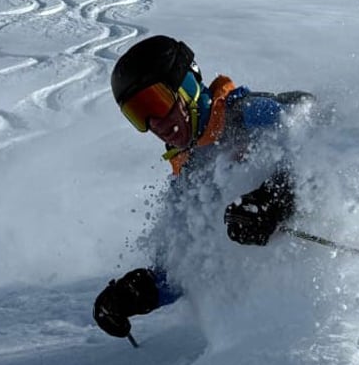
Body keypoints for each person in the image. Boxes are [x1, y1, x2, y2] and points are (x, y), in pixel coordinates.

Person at [92, 35, 313, 339]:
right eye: (138, 114)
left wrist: (276, 198)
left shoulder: (250, 116)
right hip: (277, 318)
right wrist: (138, 292)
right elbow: (185, 269)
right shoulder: (188, 179)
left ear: (186, 87)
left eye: (155, 102)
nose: (154, 122)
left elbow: (316, 153)